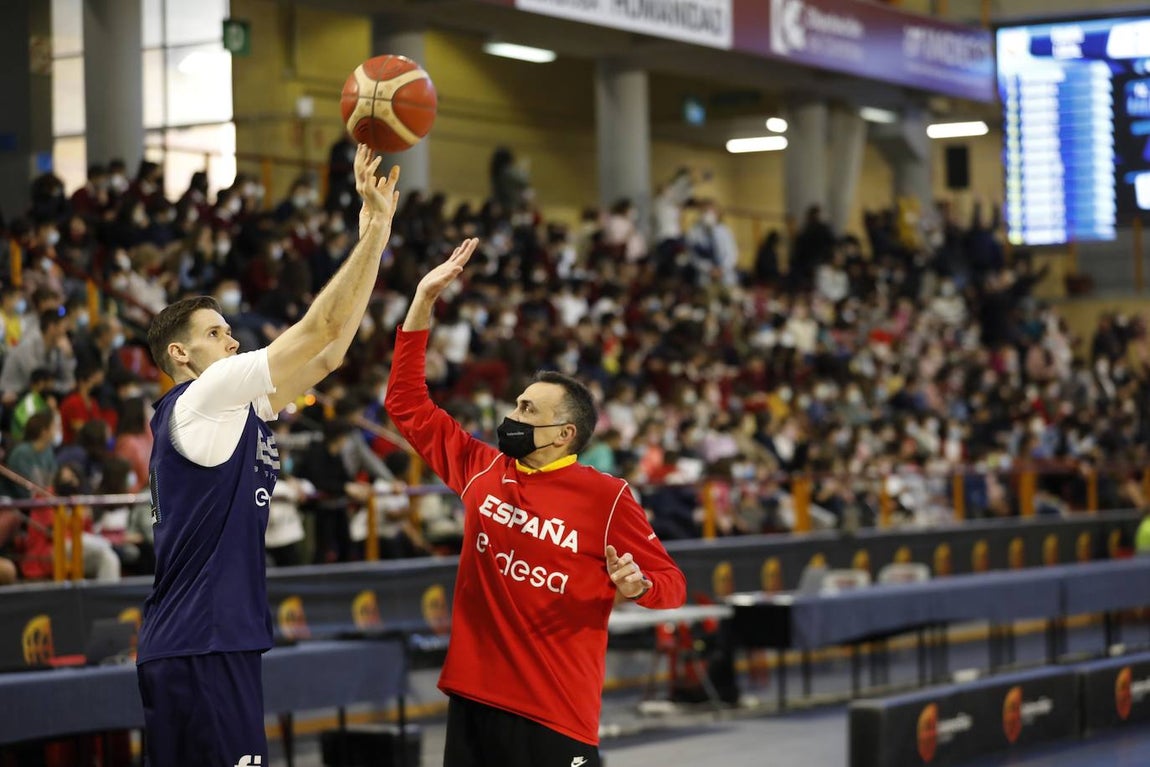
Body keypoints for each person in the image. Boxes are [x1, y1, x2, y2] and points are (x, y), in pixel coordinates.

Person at [135, 145, 400, 767]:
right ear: (180, 356)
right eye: (214, 333)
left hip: (209, 638)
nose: (231, 337)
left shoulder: (239, 406)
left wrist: (374, 240)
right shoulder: (203, 396)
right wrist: (374, 234)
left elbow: (331, 353)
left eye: (229, 329)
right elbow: (314, 328)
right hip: (201, 639)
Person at [385, 238, 686, 767]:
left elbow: (673, 587)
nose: (514, 415)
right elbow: (407, 404)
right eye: (517, 403)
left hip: (556, 710)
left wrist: (639, 585)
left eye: (528, 410)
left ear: (564, 433)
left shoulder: (606, 496)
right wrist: (422, 304)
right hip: (474, 695)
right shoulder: (482, 469)